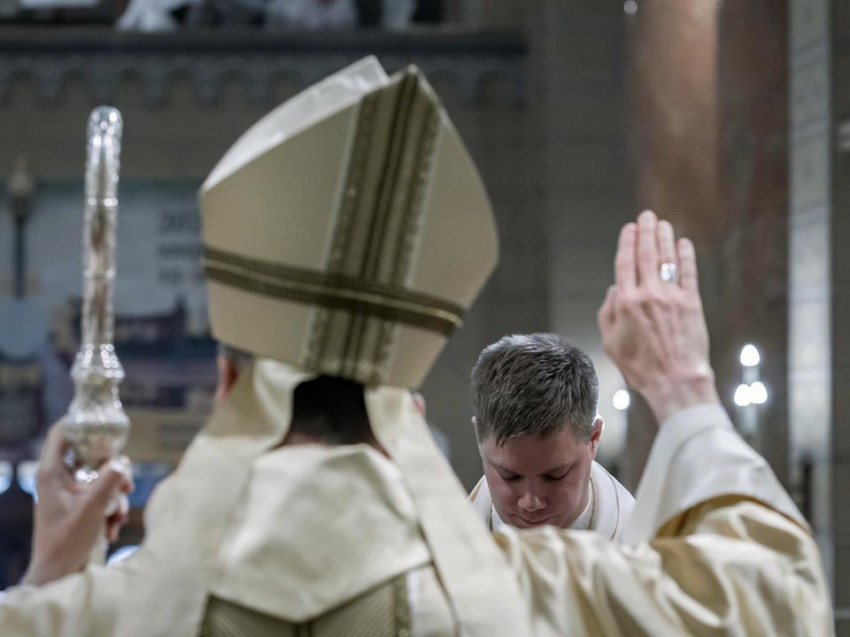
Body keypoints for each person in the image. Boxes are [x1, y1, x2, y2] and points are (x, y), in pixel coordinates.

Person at [0, 58, 833, 635]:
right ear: (409, 411)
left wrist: (50, 577)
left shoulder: (114, 613)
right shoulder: (525, 597)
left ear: (225, 386)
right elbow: (775, 603)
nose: (529, 499)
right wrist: (683, 385)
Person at [468, 333, 634, 539]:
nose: (531, 503)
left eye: (554, 476)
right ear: (478, 437)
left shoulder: (642, 545)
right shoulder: (443, 540)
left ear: (593, 438)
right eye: (509, 476)